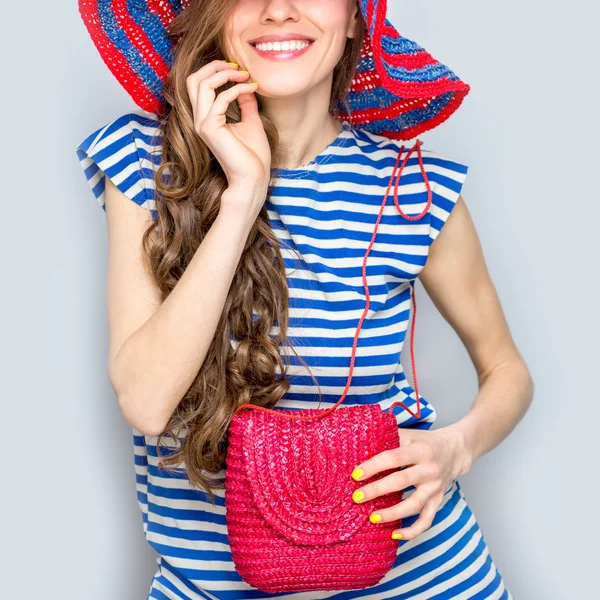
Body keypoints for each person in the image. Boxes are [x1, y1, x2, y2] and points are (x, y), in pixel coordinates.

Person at [74, 0, 533, 597]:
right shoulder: (145, 162)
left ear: (355, 19)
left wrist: (456, 446)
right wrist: (244, 193)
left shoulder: (415, 187)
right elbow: (146, 401)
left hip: (421, 579)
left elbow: (508, 371)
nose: (280, 10)